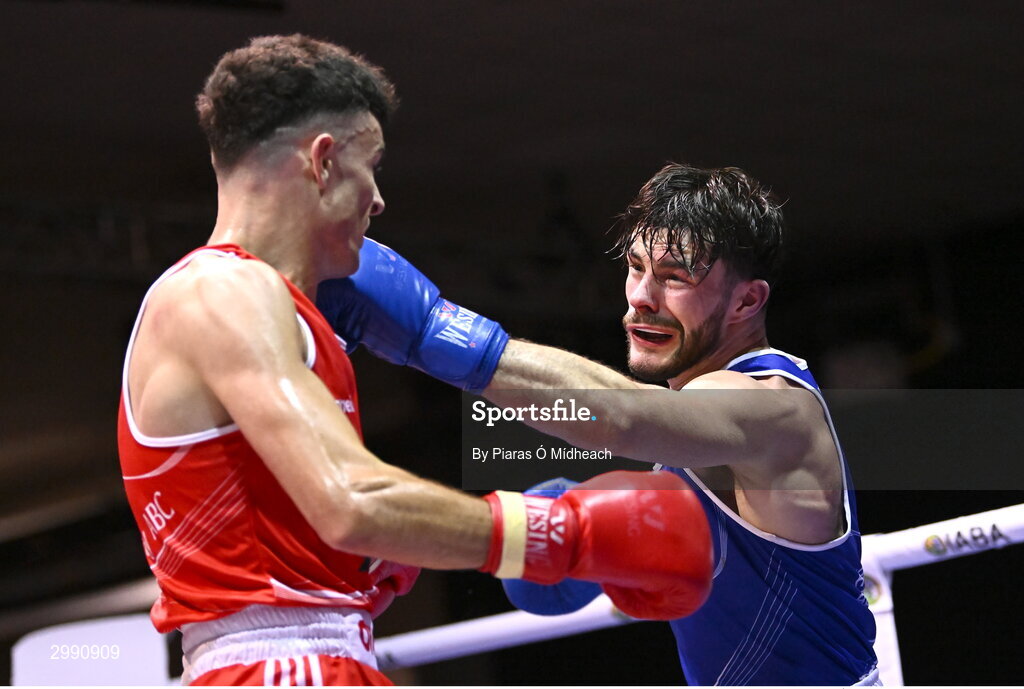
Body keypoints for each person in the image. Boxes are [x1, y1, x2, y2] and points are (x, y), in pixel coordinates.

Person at [116, 35, 713, 686]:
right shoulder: (225, 291)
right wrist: (556, 536)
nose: (378, 200)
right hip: (281, 669)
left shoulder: (268, 305)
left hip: (305, 658)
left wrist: (345, 568)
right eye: (371, 163)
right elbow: (352, 499)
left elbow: (291, 521)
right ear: (323, 161)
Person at [319, 163, 880, 685]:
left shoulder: (771, 407)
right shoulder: (703, 422)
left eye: (674, 277)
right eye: (636, 268)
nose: (640, 297)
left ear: (746, 301)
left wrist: (431, 332)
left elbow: (618, 416)